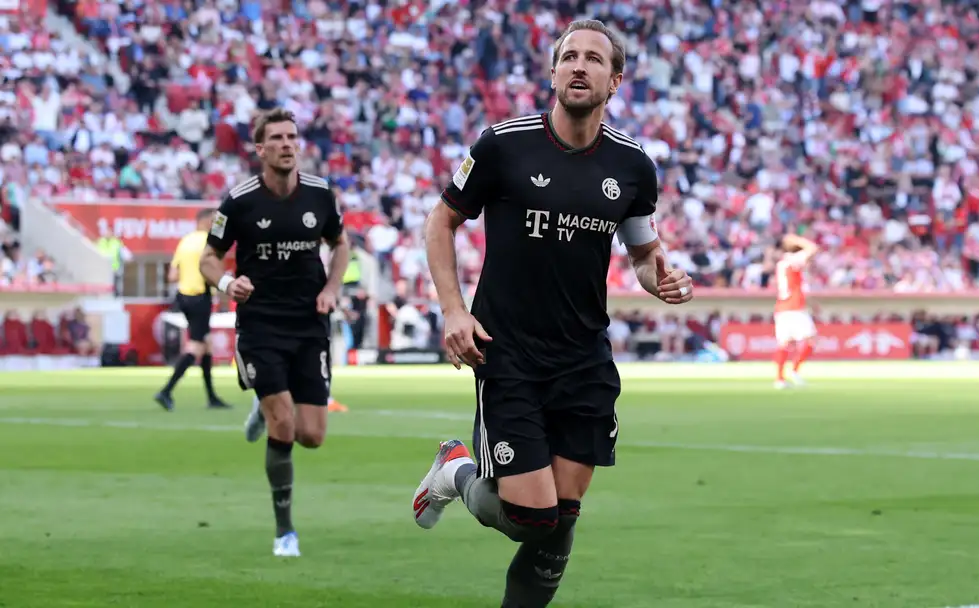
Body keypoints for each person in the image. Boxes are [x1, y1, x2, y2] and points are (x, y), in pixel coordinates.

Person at [410, 20, 693, 607]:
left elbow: (643, 252)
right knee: (531, 517)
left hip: (584, 358)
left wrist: (658, 279)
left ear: (614, 81)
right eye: (569, 56)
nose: (578, 66)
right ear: (553, 70)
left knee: (562, 517)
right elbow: (440, 222)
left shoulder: (635, 167)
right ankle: (454, 472)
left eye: (593, 59)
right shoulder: (502, 144)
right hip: (508, 349)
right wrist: (453, 311)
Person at [198, 108, 349, 558]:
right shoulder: (239, 201)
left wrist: (332, 287)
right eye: (277, 138)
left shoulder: (321, 195)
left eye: (292, 137)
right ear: (260, 149)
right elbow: (209, 258)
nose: (287, 144)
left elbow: (340, 243)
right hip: (261, 323)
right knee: (284, 423)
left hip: (309, 323)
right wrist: (228, 283)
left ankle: (265, 407)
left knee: (312, 435)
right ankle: (285, 532)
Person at [155, 208, 230, 411]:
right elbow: (214, 273)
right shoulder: (208, 242)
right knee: (196, 345)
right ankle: (166, 391)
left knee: (207, 345)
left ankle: (212, 397)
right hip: (199, 297)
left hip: (183, 296)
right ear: (206, 221)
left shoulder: (185, 241)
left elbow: (172, 276)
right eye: (214, 220)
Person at [772, 233, 820, 388]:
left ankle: (780, 379)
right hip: (794, 307)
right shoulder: (792, 259)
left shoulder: (783, 263)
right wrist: (797, 239)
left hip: (783, 307)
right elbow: (813, 248)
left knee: (785, 343)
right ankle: (794, 371)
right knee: (810, 339)